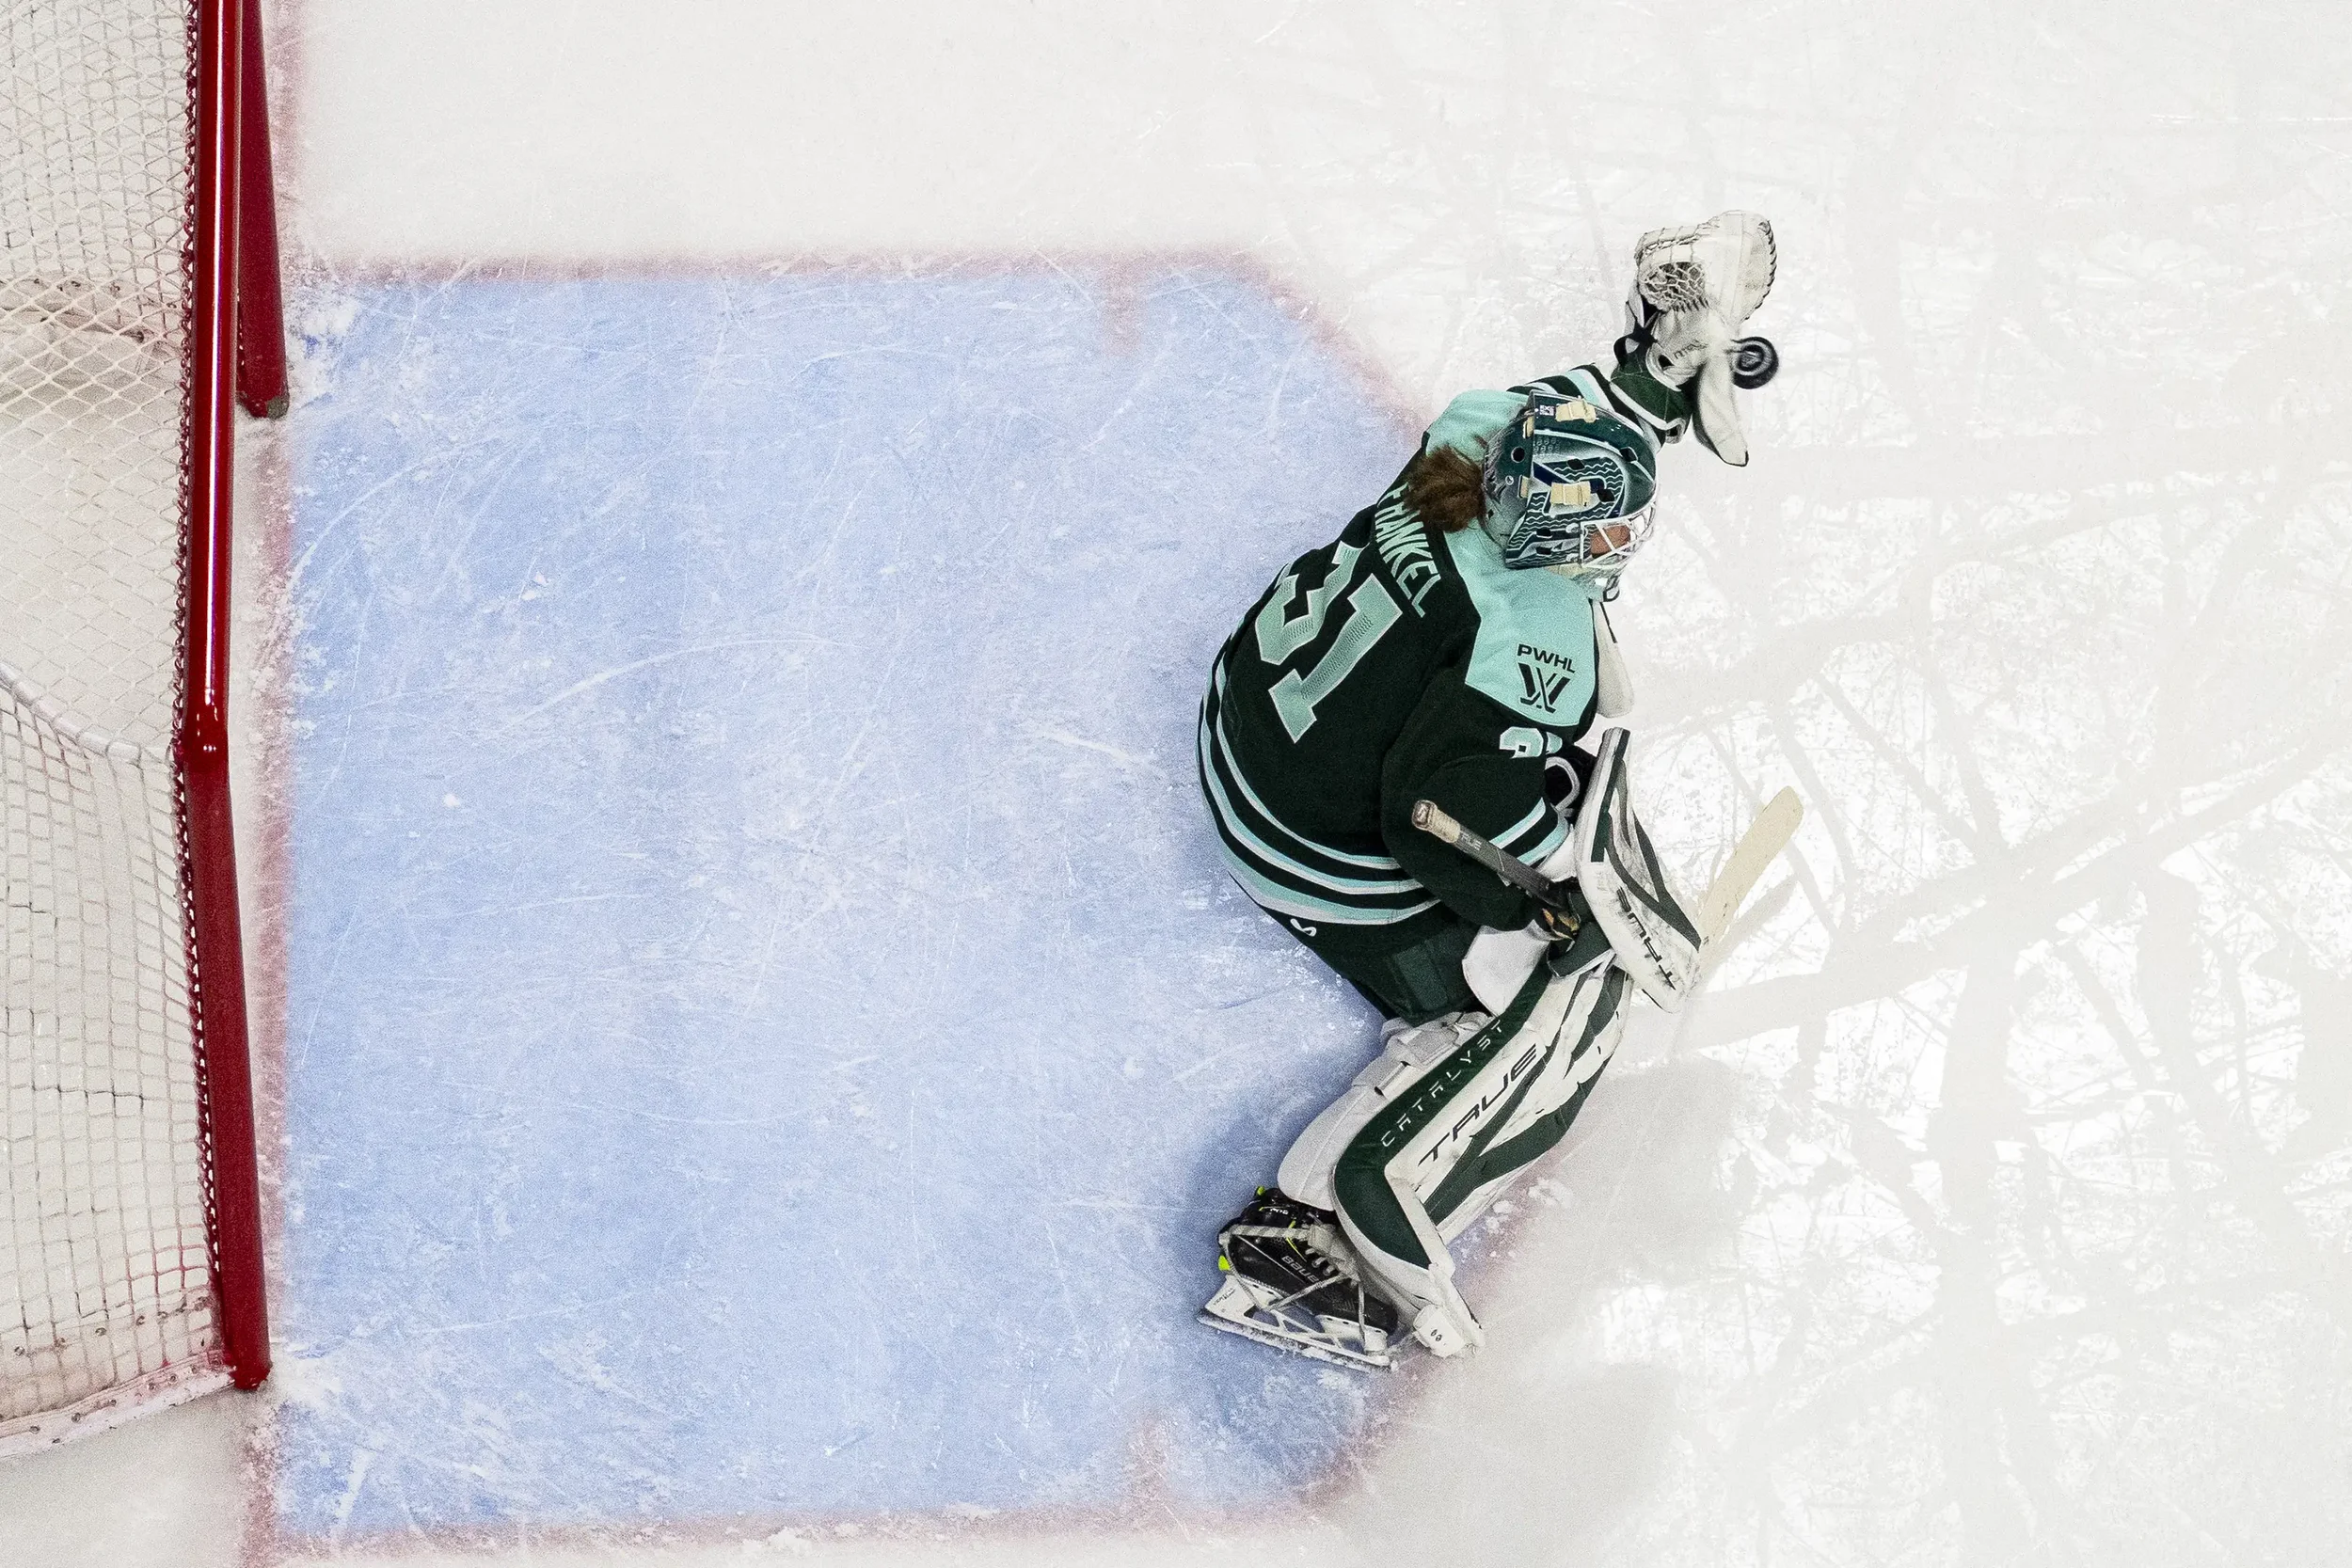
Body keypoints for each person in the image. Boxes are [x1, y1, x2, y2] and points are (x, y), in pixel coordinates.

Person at [1196, 213, 1780, 1366]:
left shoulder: (1474, 437)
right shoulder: (1536, 648)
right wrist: (1543, 892)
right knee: (1543, 998)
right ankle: (1321, 1237)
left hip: (1250, 708)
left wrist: (1659, 361)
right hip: (1295, 831)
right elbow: (1433, 818)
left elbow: (1577, 411)